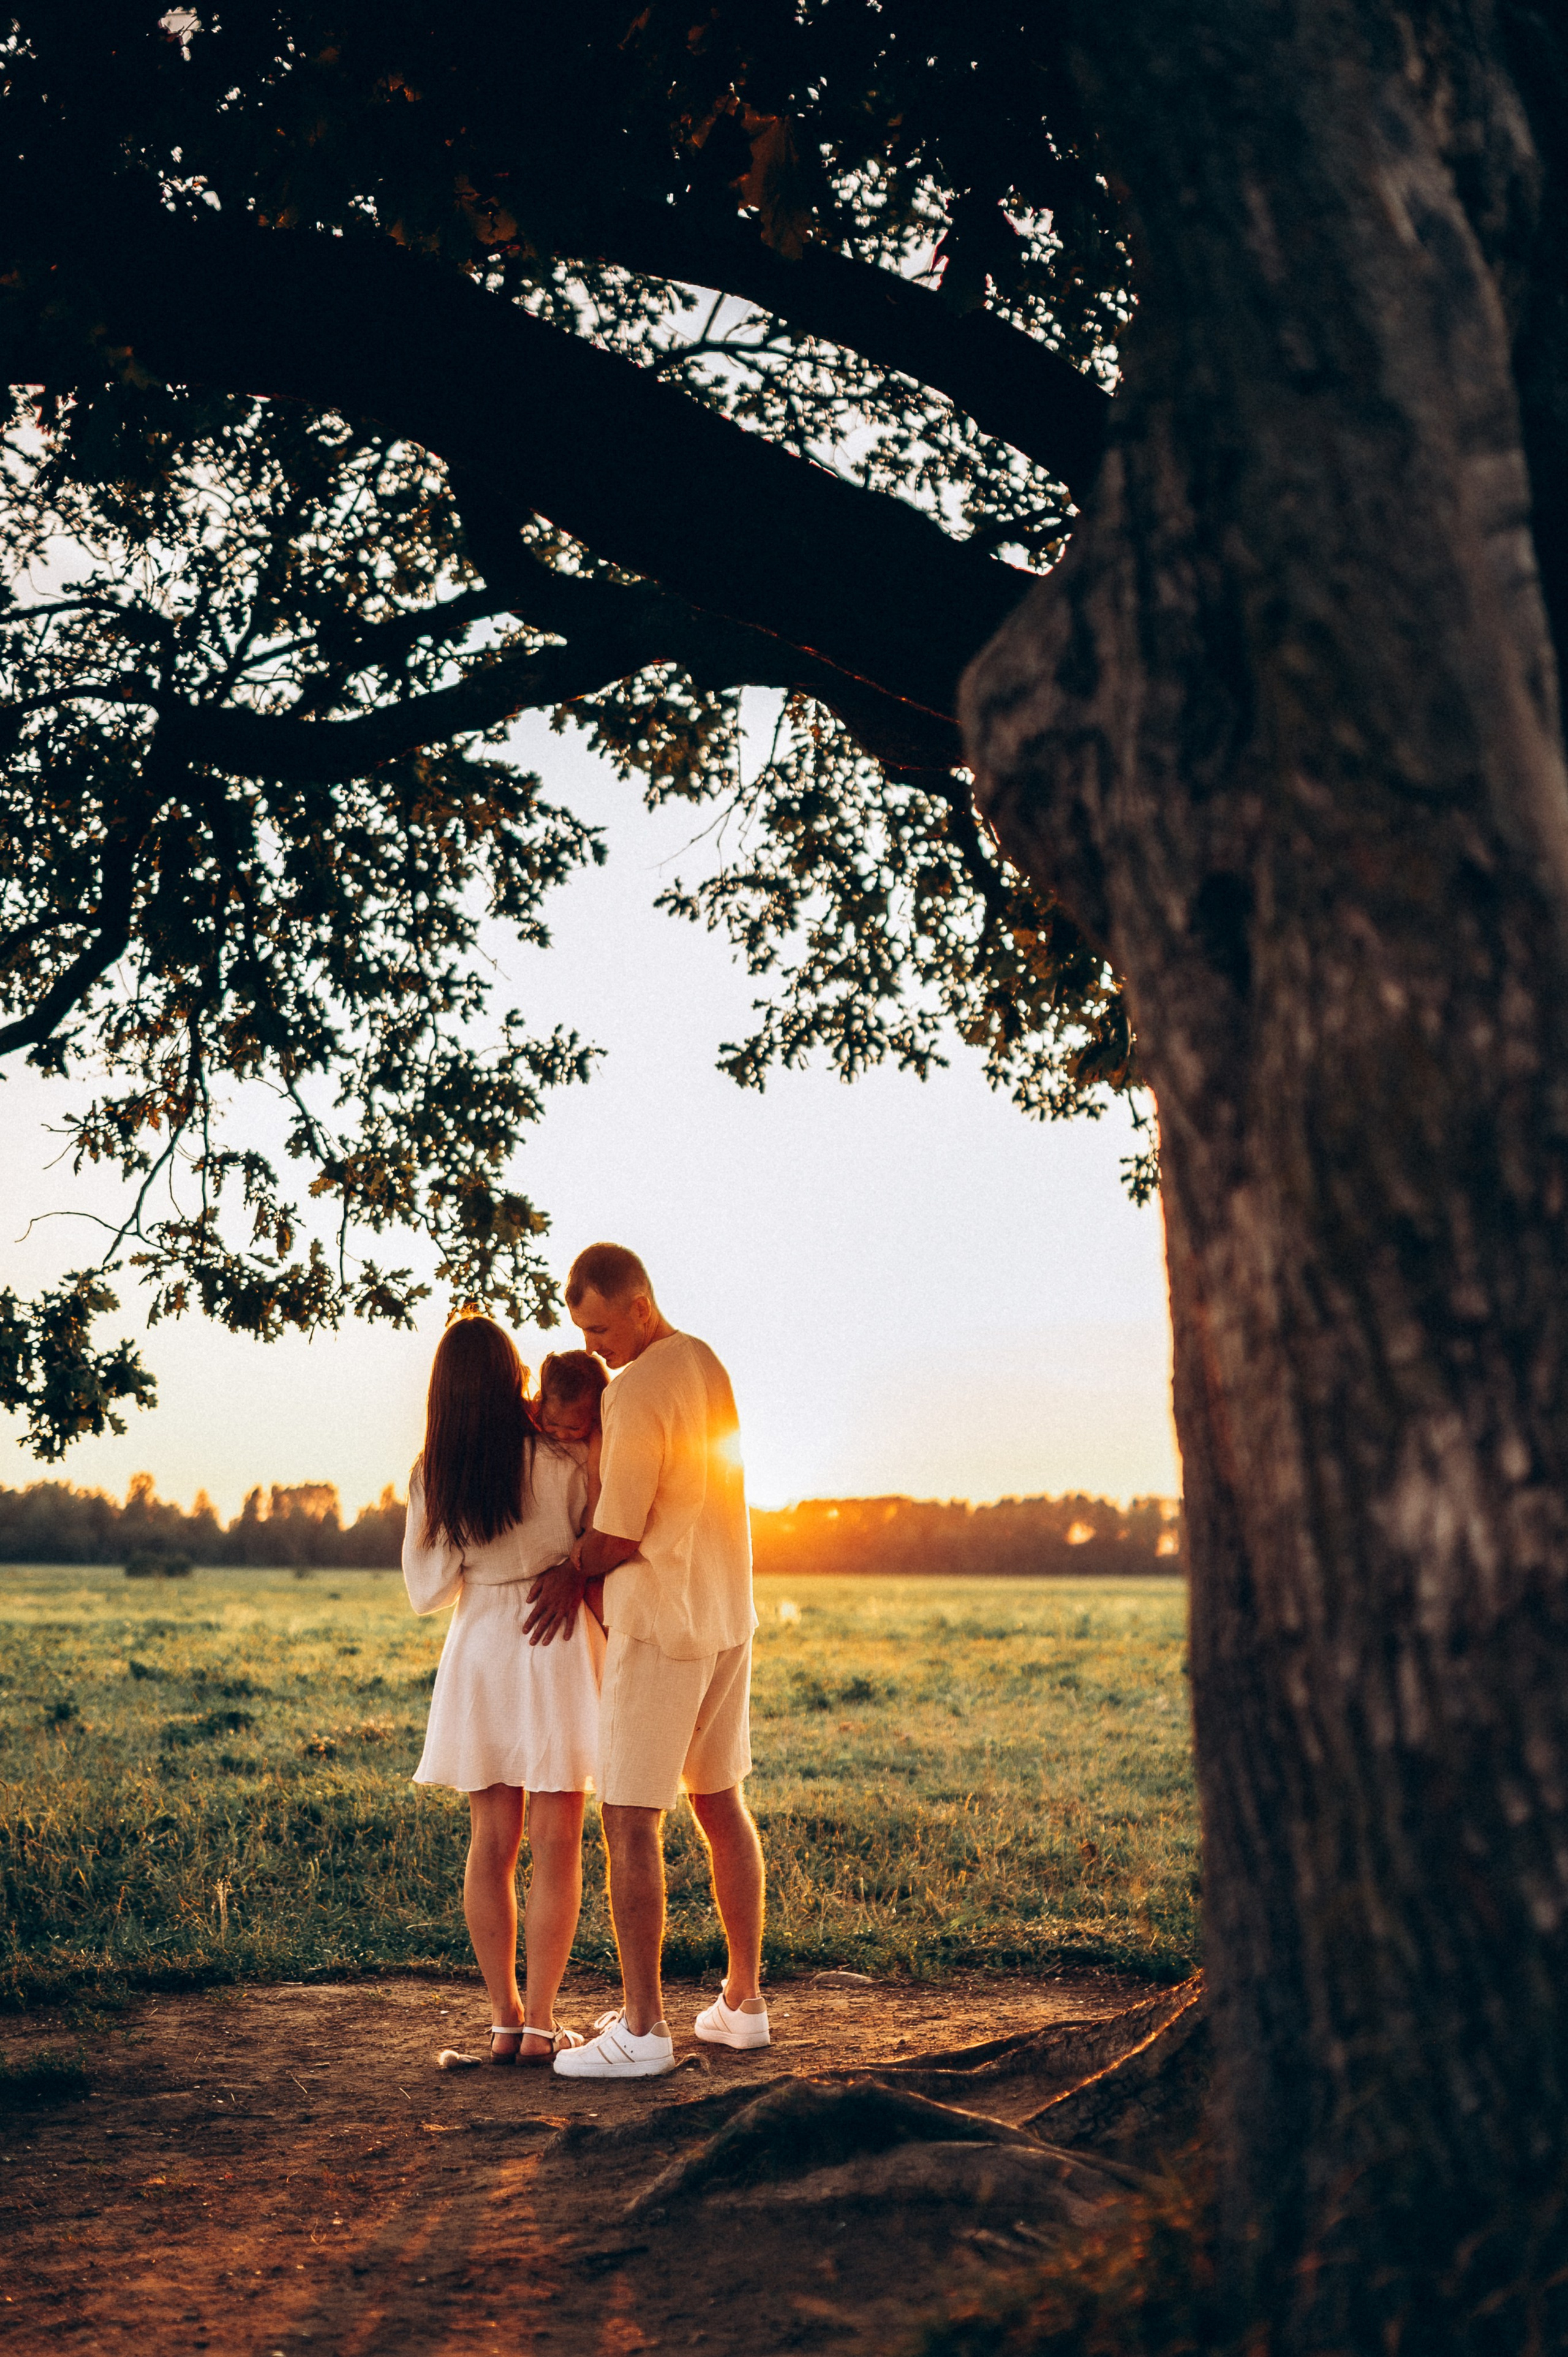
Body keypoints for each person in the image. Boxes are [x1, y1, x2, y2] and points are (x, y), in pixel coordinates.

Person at [523, 1243, 768, 2079]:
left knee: (629, 1815)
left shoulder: (636, 1388)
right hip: (728, 1615)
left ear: (637, 1303)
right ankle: (742, 2003)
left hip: (660, 1624)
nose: (592, 1346)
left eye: (598, 1326)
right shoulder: (707, 1361)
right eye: (580, 1330)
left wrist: (568, 1570)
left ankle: (643, 2027)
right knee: (721, 1800)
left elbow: (619, 1529)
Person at [403, 1314, 604, 2064]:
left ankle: (502, 2018)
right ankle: (543, 2024)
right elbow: (601, 1530)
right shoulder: (559, 1455)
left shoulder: (437, 1469)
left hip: (483, 1640)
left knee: (491, 1842)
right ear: (513, 1374)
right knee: (557, 1843)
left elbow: (427, 1588)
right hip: (551, 1634)